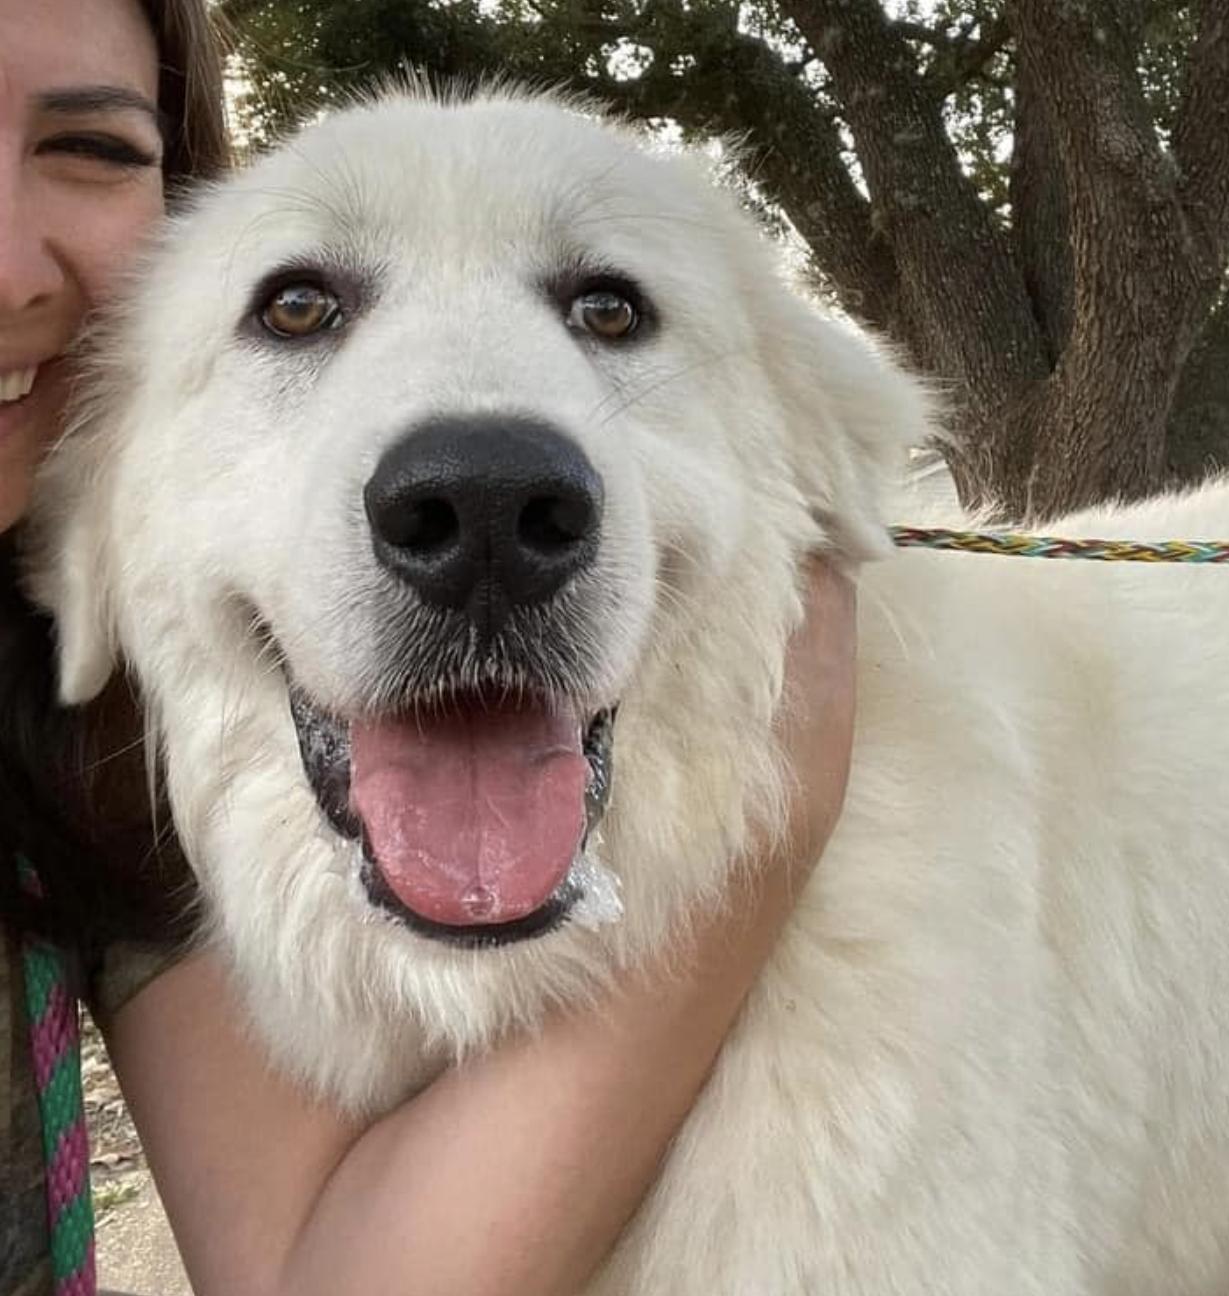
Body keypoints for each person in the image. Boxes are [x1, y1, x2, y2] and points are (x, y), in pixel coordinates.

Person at [0, 0, 858, 1292]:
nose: (8, 266)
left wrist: (790, 770)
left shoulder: (87, 752)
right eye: (299, 308)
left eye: (94, 148)